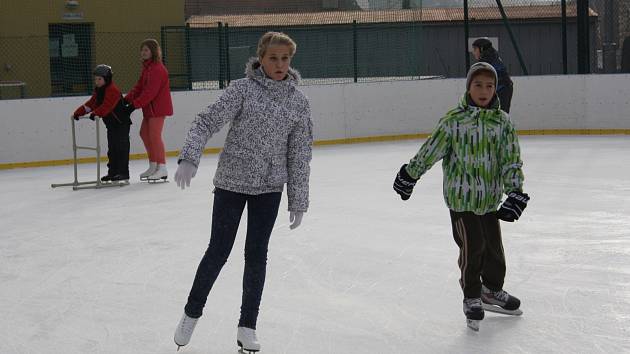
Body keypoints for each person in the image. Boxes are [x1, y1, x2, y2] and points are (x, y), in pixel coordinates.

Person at [172, 32, 313, 352]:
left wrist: (299, 199)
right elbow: (205, 122)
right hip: (232, 185)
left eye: (285, 58)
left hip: (269, 189)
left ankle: (247, 325)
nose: (280, 64)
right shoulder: (243, 90)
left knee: (256, 256)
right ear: (260, 58)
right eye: (273, 58)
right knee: (218, 252)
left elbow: (299, 153)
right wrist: (190, 157)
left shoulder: (298, 101)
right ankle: (191, 313)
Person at [393, 62, 529, 331]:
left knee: (495, 252)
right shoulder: (454, 120)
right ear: (468, 87)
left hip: (489, 200)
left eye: (489, 86)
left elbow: (511, 159)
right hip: (461, 200)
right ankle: (471, 296)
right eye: (478, 85)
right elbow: (430, 150)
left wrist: (515, 192)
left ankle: (491, 290)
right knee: (473, 247)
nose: (483, 90)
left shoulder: (502, 122)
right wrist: (410, 174)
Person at [72, 64, 133, 183]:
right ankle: (113, 173)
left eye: (99, 79)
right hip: (111, 124)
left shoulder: (113, 90)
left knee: (121, 148)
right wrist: (78, 112)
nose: (97, 81)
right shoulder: (99, 90)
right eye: (96, 79)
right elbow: (91, 104)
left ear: (107, 79)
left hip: (121, 123)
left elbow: (107, 106)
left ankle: (123, 173)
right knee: (112, 149)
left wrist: (96, 113)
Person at [124, 38, 173, 182]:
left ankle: (162, 167)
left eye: (146, 50)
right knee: (144, 134)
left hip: (157, 109)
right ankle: (153, 165)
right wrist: (125, 100)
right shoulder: (147, 68)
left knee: (154, 136)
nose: (143, 52)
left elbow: (150, 93)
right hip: (149, 109)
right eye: (142, 50)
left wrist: (133, 105)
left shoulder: (158, 69)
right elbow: (139, 87)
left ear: (153, 51)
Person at [472, 37, 514, 113]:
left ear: (481, 49)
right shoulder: (492, 55)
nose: (473, 52)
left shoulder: (486, 61)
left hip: (502, 89)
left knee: (498, 115)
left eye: (475, 49)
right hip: (505, 88)